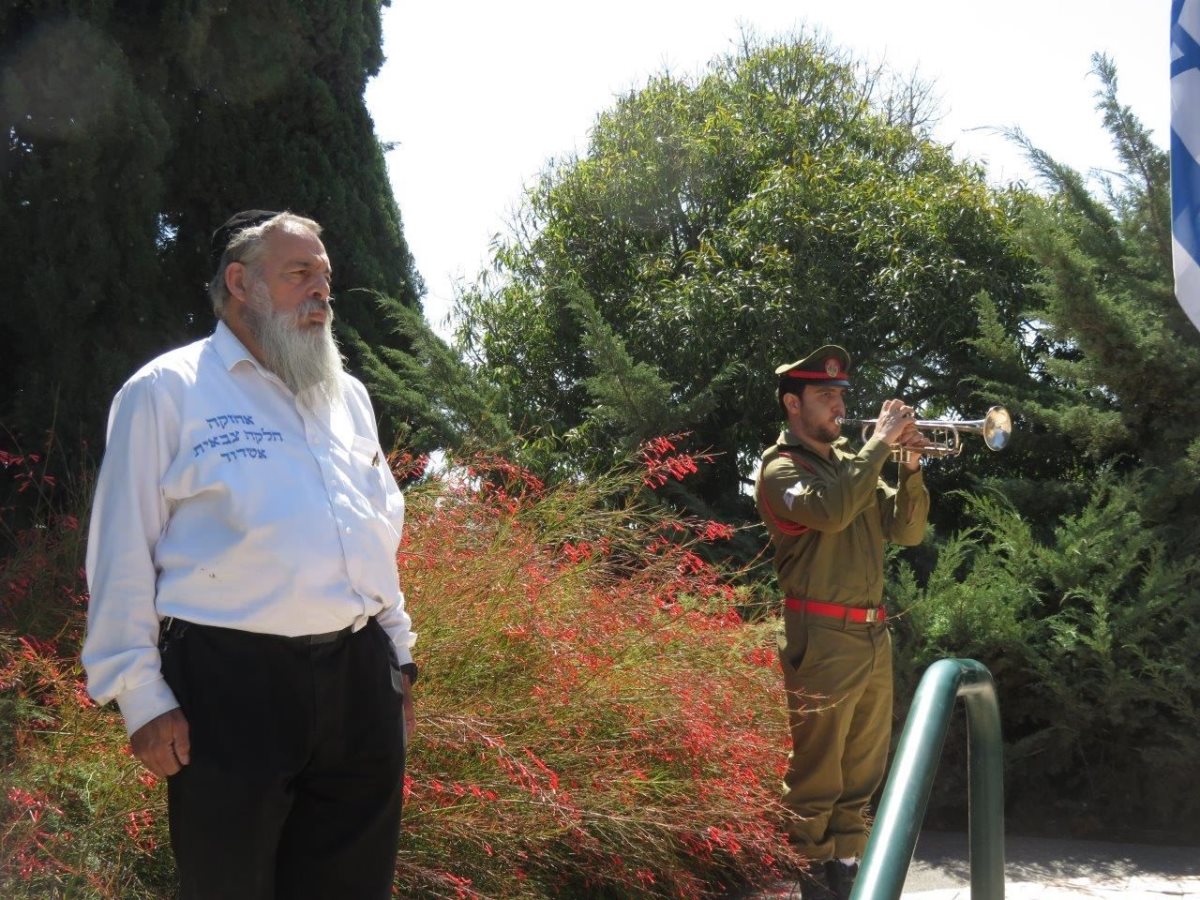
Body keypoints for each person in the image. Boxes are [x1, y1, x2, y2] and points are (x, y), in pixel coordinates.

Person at [82, 210, 418, 899]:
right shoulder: (166, 391)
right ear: (240, 282)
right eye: (300, 274)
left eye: (326, 277)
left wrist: (400, 657)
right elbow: (120, 552)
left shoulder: (347, 398)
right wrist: (140, 698)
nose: (322, 292)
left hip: (358, 681)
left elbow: (374, 531)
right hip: (229, 687)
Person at [754, 345, 929, 900]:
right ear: (792, 405)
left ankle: (850, 874)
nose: (837, 405)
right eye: (824, 396)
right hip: (822, 635)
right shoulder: (782, 468)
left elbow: (907, 532)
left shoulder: (852, 462)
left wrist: (910, 465)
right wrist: (879, 445)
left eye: (841, 396)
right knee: (817, 777)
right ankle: (809, 881)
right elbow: (828, 511)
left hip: (871, 634)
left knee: (861, 772)